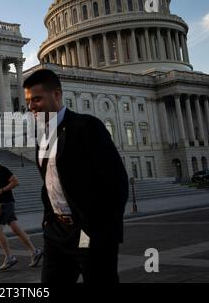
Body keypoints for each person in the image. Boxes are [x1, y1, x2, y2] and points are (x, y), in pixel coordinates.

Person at [23, 69, 128, 283]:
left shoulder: (87, 127)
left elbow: (117, 183)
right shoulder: (42, 138)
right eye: (28, 101)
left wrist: (100, 231)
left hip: (88, 232)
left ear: (57, 95)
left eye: (36, 99)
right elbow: (50, 184)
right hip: (57, 233)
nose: (31, 106)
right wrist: (48, 222)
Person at [0, 151, 43, 271]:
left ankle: (9, 257)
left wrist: (3, 189)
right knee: (17, 230)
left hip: (6, 203)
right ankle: (35, 252)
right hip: (1, 203)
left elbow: (15, 181)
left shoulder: (2, 170)